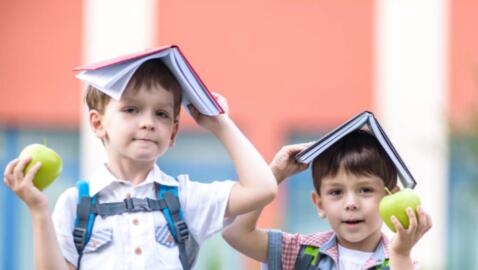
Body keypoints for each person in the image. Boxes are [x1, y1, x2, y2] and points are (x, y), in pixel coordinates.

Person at [3, 59, 277, 269]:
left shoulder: (184, 198)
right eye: (131, 109)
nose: (148, 122)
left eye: (161, 114)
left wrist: (219, 123)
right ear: (98, 123)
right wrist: (38, 209)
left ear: (173, 132)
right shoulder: (76, 203)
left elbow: (262, 188)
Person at [222, 130, 432, 270]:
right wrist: (275, 174)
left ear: (389, 197)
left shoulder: (401, 262)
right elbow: (236, 233)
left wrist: (401, 253)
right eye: (336, 193)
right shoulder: (300, 252)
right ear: (320, 204)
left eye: (365, 190)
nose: (351, 203)